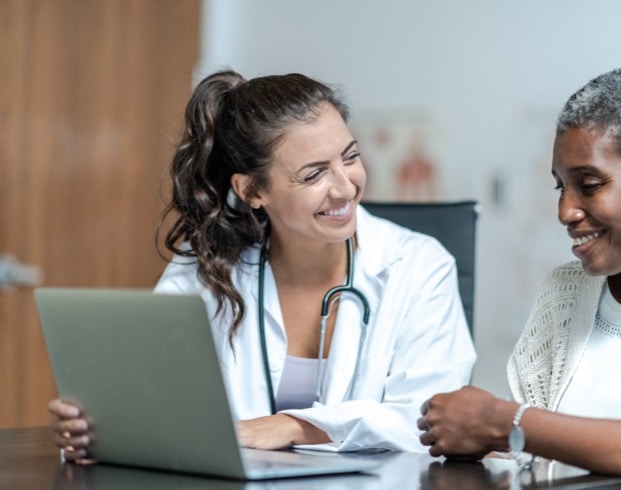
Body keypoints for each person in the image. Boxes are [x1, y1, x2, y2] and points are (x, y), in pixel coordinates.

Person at [48, 70, 476, 461]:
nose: (345, 187)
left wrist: (291, 426)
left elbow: (433, 418)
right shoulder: (206, 270)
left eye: (349, 156)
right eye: (314, 175)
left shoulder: (418, 265)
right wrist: (101, 429)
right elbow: (149, 399)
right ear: (252, 189)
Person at [417, 66, 621, 488]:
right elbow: (529, 451)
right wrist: (481, 438)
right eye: (559, 188)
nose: (565, 212)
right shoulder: (564, 294)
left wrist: (504, 420)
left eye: (589, 184)